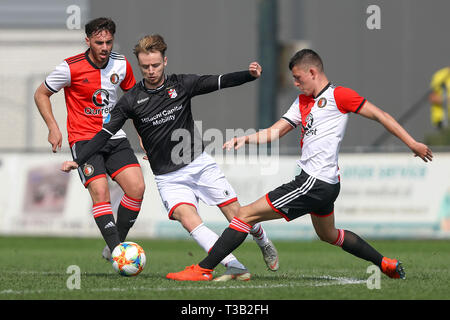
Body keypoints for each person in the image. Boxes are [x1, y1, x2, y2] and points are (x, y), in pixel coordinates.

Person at [165, 48, 434, 281]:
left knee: (244, 215)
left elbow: (380, 115)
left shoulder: (340, 96)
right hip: (326, 186)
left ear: (313, 72)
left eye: (298, 77)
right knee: (329, 235)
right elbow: (275, 131)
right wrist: (245, 139)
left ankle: (203, 269)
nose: (295, 83)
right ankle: (384, 263)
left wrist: (412, 143)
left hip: (313, 183)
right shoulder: (302, 101)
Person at [61, 34, 279, 281]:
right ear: (140, 65)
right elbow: (103, 135)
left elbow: (218, 81)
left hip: (199, 165)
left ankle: (262, 240)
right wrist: (79, 160)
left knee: (237, 215)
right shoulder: (130, 100)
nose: (151, 71)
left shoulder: (182, 84)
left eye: (155, 65)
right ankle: (234, 265)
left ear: (165, 61)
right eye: (145, 67)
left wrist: (248, 75)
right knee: (187, 220)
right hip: (168, 177)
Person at [34, 17, 145, 260]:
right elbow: (41, 93)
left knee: (137, 188)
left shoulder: (121, 64)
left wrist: (142, 135)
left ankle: (116, 243)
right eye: (99, 42)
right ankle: (119, 254)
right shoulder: (70, 67)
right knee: (100, 191)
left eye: (109, 42)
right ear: (88, 41)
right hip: (84, 139)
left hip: (114, 136)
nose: (105, 48)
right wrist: (53, 128)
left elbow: (134, 103)